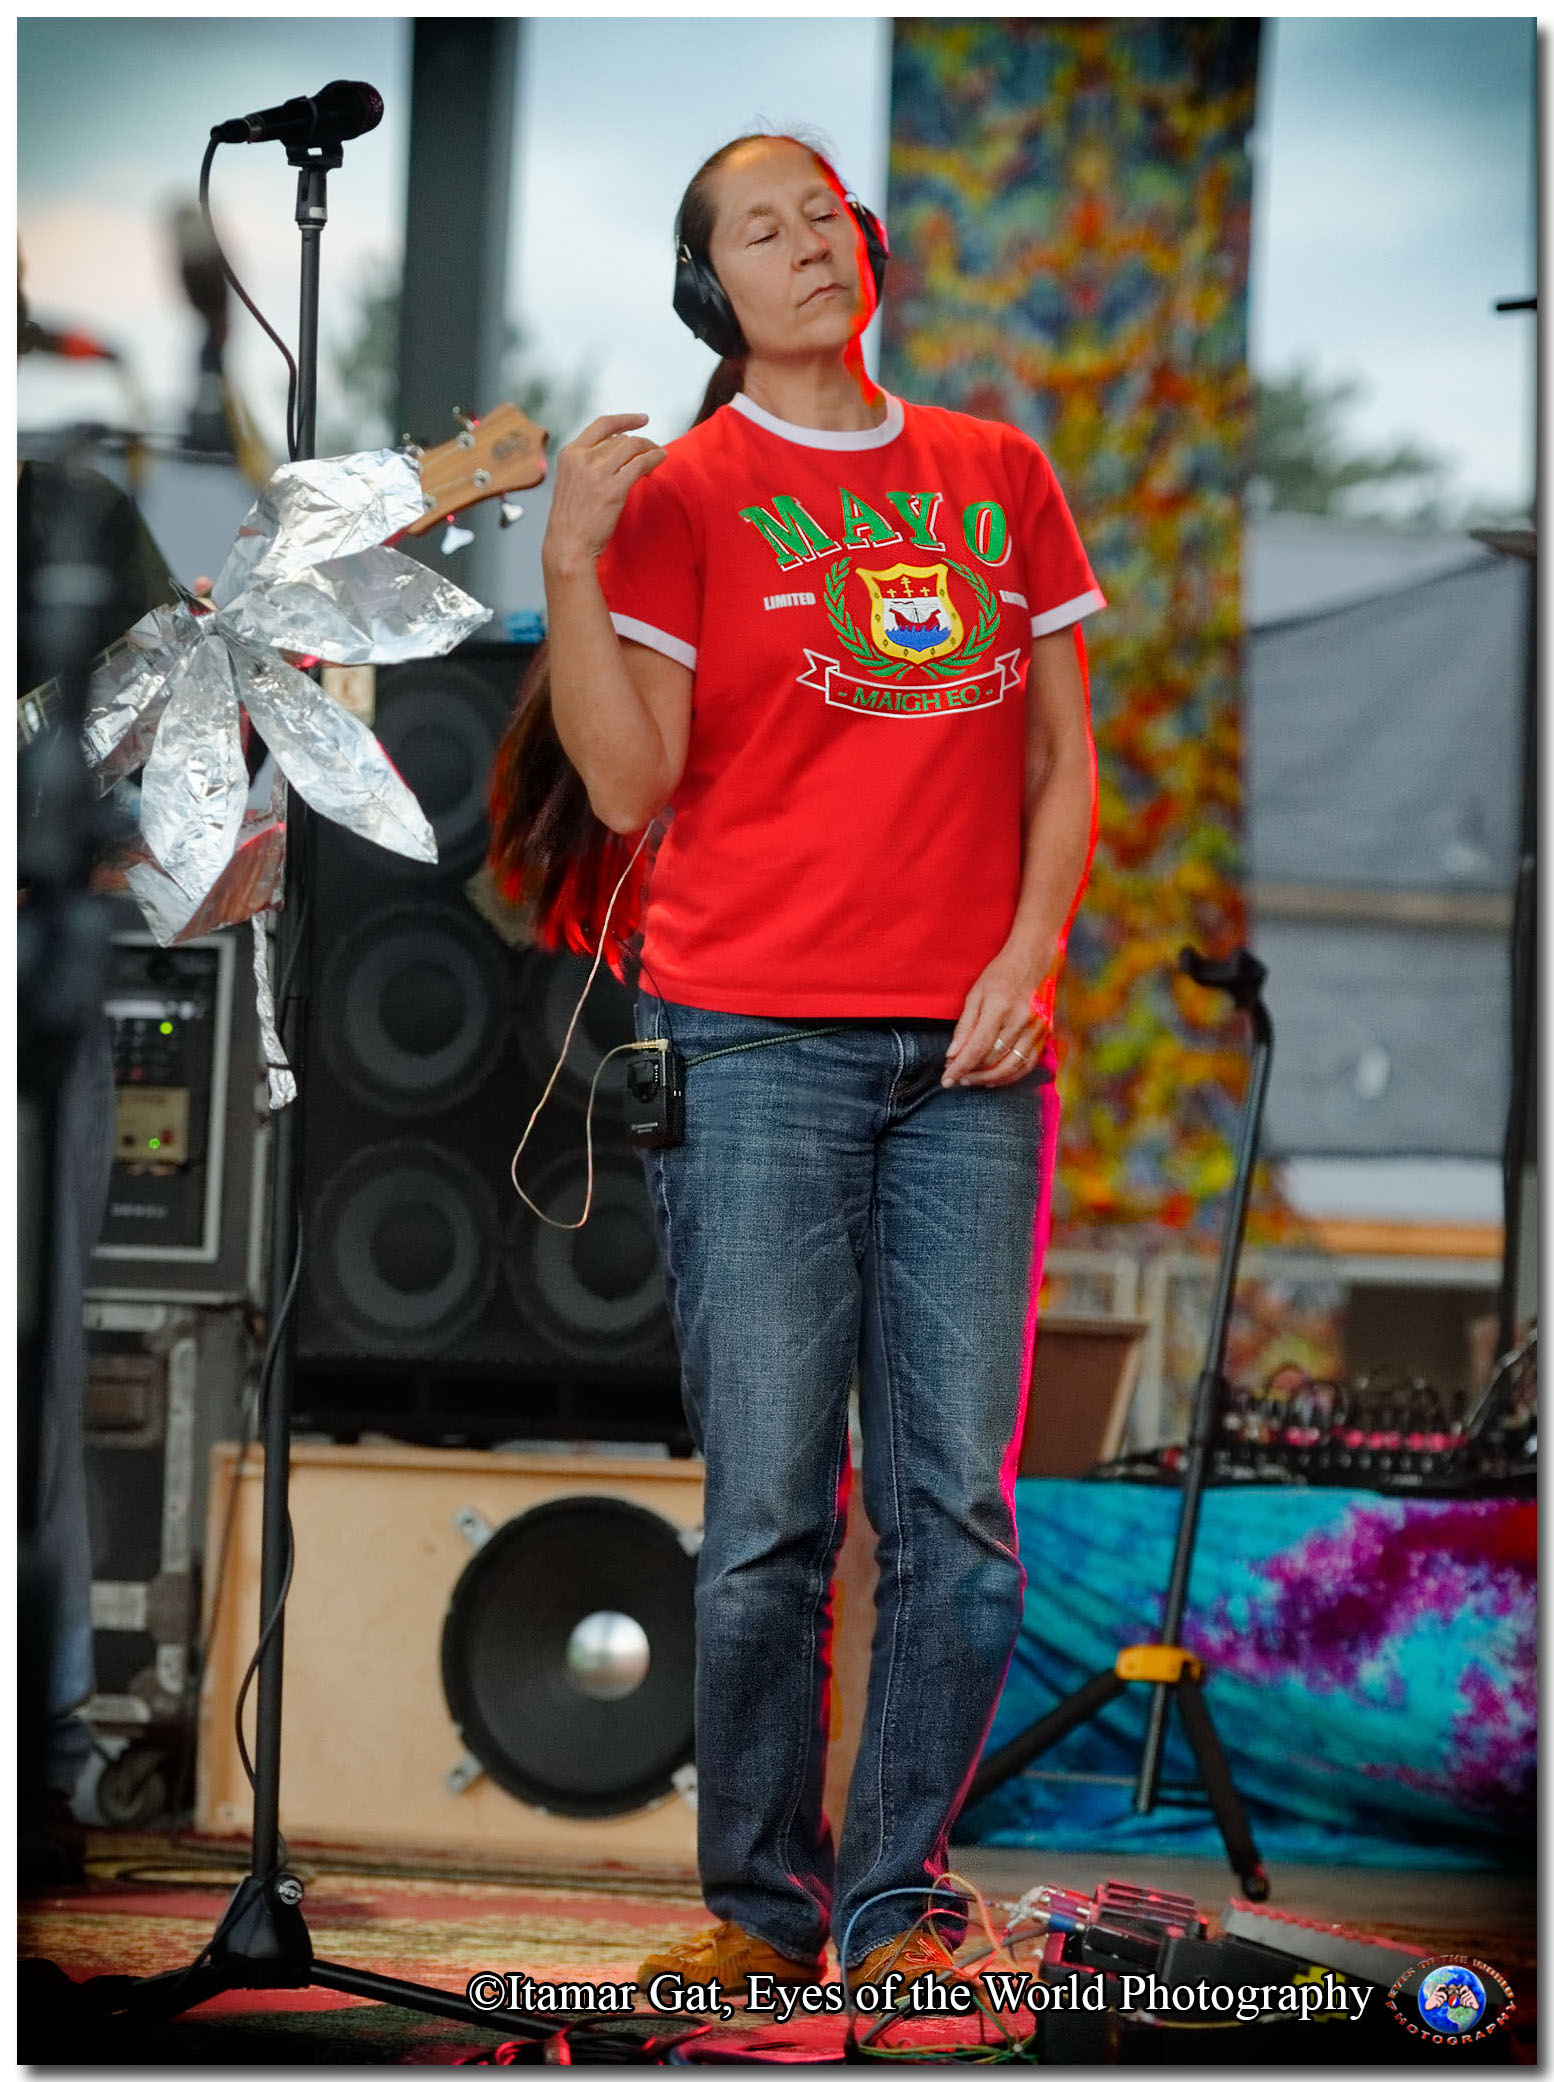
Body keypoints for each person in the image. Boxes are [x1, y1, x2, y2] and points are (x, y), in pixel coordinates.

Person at [491, 131, 1103, 1999]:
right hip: (751, 1040)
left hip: (972, 1056)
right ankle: (760, 1913)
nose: (804, 246)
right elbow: (626, 788)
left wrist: (1025, 956)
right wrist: (570, 559)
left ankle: (897, 1908)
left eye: (821, 216)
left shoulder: (997, 473)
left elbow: (1060, 760)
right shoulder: (687, 494)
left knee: (957, 1517)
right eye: (759, 232)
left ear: (870, 245)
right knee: (769, 1512)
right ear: (715, 293)